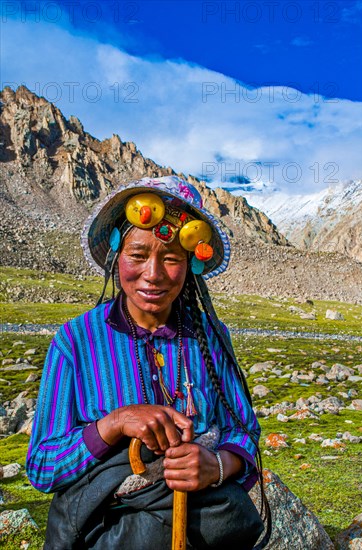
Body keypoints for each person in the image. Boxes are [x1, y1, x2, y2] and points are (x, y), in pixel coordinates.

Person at [26, 176, 269, 549]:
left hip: (203, 525)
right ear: (115, 255)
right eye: (137, 255)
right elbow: (42, 466)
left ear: (191, 265)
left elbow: (246, 432)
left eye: (171, 258)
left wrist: (216, 466)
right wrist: (114, 424)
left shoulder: (210, 335)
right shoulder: (75, 341)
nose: (153, 275)